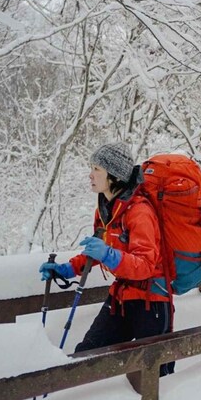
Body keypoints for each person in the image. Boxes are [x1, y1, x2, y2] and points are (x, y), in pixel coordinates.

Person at [38, 142, 174, 375]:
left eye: (97, 169)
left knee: (154, 375)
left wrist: (108, 254)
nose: (90, 175)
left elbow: (145, 266)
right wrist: (67, 269)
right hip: (121, 299)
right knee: (87, 357)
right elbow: (97, 251)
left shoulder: (140, 212)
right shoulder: (106, 208)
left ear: (114, 175)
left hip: (152, 303)